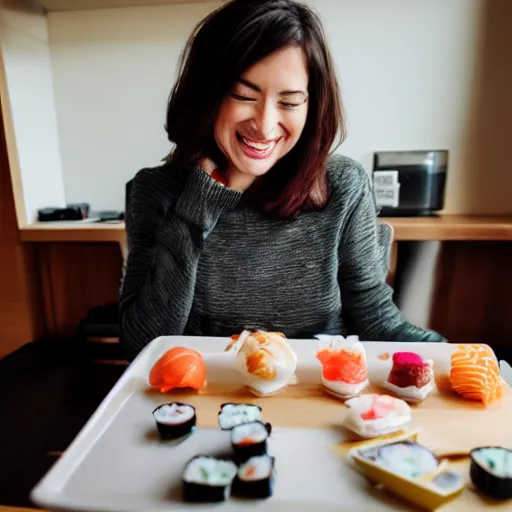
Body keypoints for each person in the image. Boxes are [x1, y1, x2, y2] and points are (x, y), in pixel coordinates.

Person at [119, 0, 446, 361]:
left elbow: (377, 320)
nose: (265, 124)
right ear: (207, 94)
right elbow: (143, 344)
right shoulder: (157, 191)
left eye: (289, 103)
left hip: (317, 392)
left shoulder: (343, 185)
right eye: (243, 95)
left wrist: (463, 359)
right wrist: (198, 208)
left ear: (312, 105)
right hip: (206, 396)